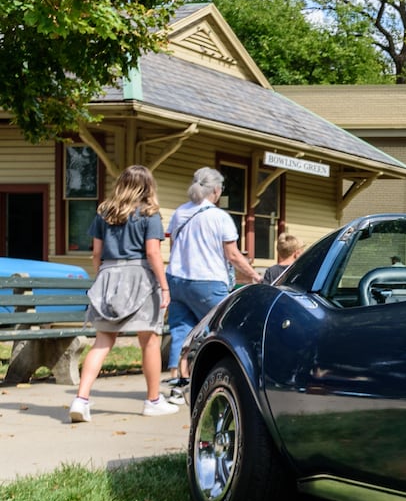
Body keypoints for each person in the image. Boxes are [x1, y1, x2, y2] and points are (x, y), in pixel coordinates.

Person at [69, 166, 177, 421]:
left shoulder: (104, 212)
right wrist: (164, 286)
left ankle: (81, 399)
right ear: (147, 186)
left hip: (108, 274)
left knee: (103, 341)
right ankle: (152, 400)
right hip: (139, 277)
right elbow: (152, 253)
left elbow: (96, 253)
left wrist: (102, 277)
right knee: (149, 340)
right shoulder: (149, 214)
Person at [164, 168, 262, 398]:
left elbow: (173, 247)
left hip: (177, 279)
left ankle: (180, 382)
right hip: (207, 280)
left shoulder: (180, 213)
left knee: (181, 330)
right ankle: (228, 378)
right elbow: (233, 255)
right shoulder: (219, 217)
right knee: (224, 327)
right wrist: (254, 275)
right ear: (216, 190)